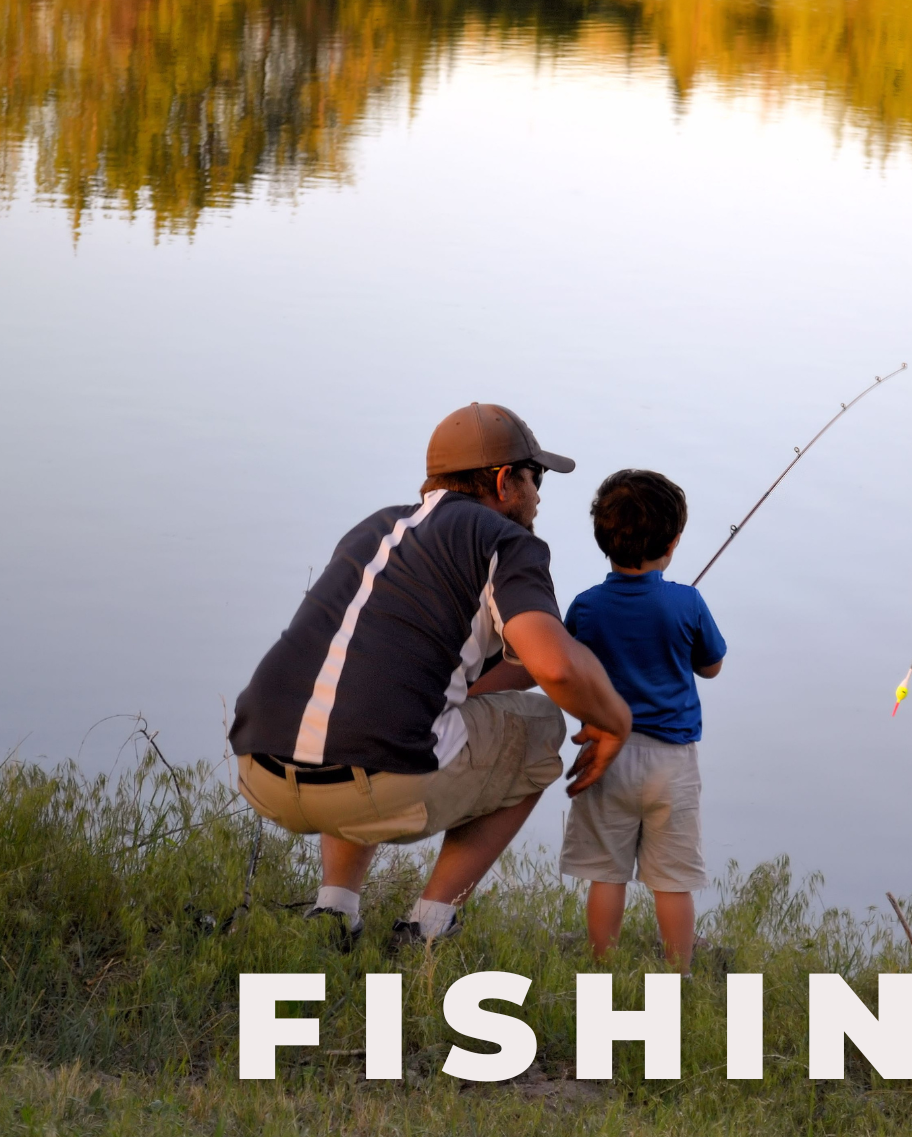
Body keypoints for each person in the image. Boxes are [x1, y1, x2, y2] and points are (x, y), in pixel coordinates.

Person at [229, 403, 632, 950]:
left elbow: (487, 668)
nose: (539, 494)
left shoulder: (374, 528)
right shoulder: (507, 542)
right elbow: (555, 666)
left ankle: (334, 911)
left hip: (263, 771)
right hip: (374, 790)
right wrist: (614, 721)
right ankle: (429, 924)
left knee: (353, 700)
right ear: (503, 482)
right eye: (535, 478)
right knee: (541, 728)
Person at [558, 470, 727, 974]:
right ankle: (680, 973)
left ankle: (601, 967)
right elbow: (712, 666)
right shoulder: (687, 601)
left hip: (605, 756)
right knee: (672, 880)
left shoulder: (586, 607)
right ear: (673, 543)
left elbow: (571, 671)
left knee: (606, 874)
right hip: (671, 763)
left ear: (602, 539)